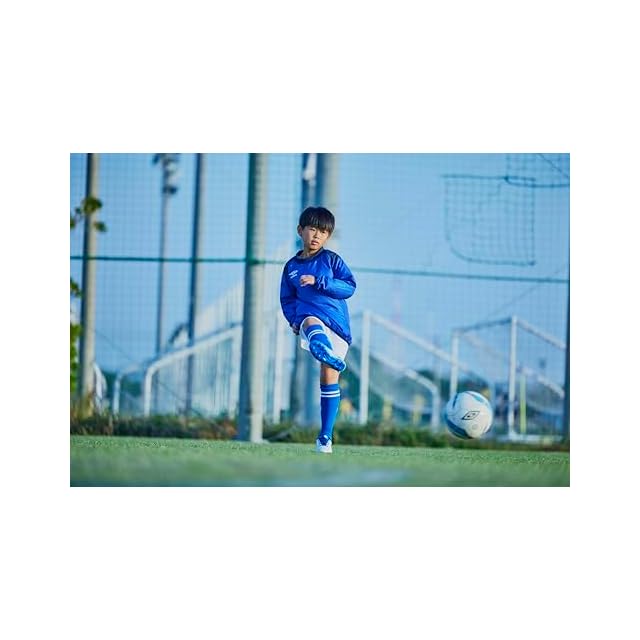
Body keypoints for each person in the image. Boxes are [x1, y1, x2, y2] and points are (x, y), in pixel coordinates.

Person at [280, 206, 356, 453]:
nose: (317, 236)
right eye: (312, 229)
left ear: (328, 236)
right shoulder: (291, 267)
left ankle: (325, 437)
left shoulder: (332, 260)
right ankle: (319, 345)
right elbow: (287, 298)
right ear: (300, 230)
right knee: (310, 320)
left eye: (323, 232)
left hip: (337, 325)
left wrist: (320, 281)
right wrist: (293, 319)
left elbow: (349, 287)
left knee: (328, 378)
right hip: (309, 319)